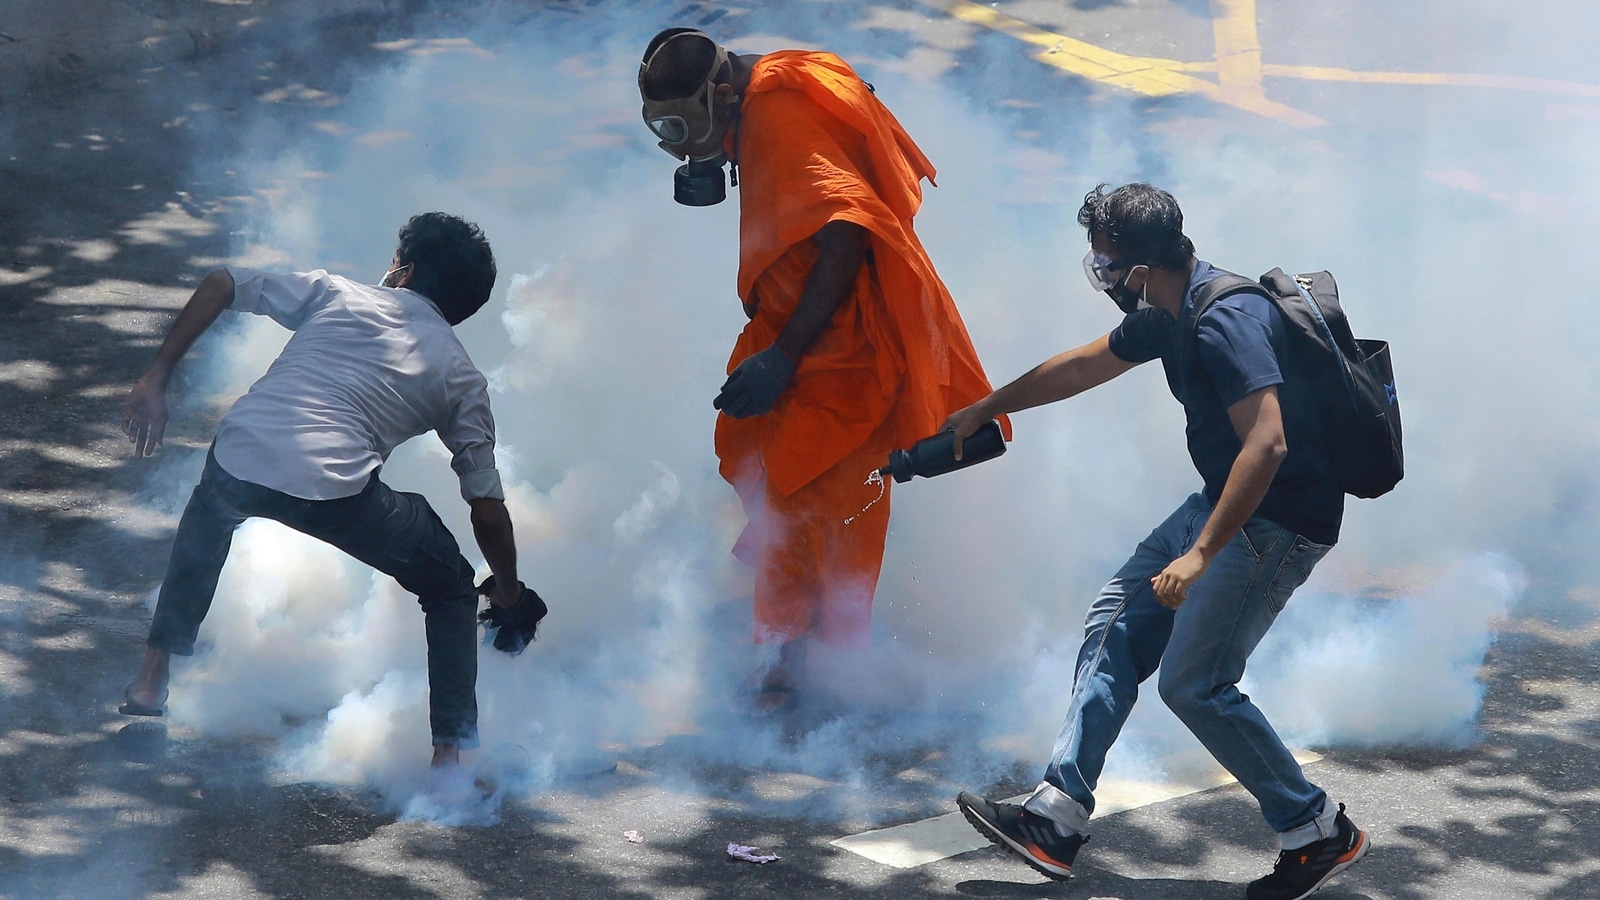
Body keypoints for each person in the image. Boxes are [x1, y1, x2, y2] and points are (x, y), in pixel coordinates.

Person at [948, 184, 1368, 899]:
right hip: (1223, 503)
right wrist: (990, 405)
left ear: (1140, 270)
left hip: (1279, 521)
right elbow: (1083, 364)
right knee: (1115, 625)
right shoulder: (1167, 312)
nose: (1100, 275)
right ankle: (1056, 814)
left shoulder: (1221, 321)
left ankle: (1316, 831)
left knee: (1193, 684)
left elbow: (1266, 443)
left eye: (1106, 263)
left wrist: (1201, 554)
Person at [636, 29, 1002, 712]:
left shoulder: (779, 114)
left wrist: (784, 356)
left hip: (838, 352)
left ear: (720, 93)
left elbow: (845, 230)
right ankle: (798, 648)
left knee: (827, 505)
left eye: (683, 125)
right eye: (663, 129)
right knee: (783, 488)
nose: (679, 144)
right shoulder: (752, 102)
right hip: (794, 335)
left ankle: (816, 665)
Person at [119, 212, 542, 772]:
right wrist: (508, 591)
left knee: (211, 512)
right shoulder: (461, 376)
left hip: (238, 456)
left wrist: (155, 379)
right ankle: (448, 765)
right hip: (334, 492)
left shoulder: (335, 293)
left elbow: (223, 281)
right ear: (462, 308)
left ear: (403, 270)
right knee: (450, 586)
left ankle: (151, 680)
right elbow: (486, 506)